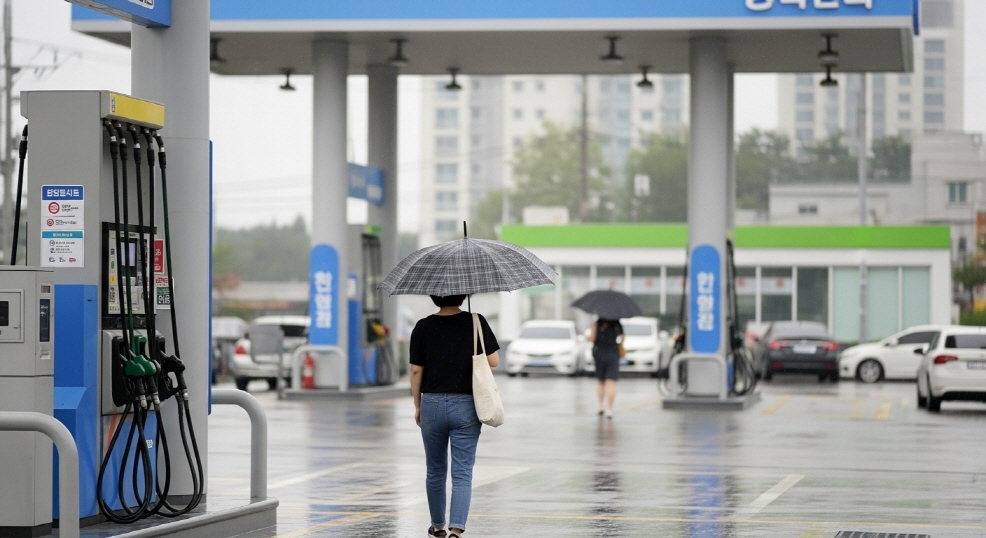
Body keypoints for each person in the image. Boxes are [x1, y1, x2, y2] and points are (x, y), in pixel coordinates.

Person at [409, 294, 500, 538]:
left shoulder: (423, 326)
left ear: (434, 296)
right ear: (463, 295)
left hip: (432, 404)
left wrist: (418, 404)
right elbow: (494, 361)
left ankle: (437, 526)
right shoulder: (476, 322)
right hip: (467, 404)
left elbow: (416, 369)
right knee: (462, 472)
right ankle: (456, 530)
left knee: (435, 469)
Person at [588, 317, 623, 418]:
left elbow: (592, 338)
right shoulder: (617, 323)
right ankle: (609, 410)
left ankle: (600, 406)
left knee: (601, 382)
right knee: (611, 382)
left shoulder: (597, 323)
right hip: (613, 354)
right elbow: (622, 338)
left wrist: (589, 334)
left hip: (600, 354)